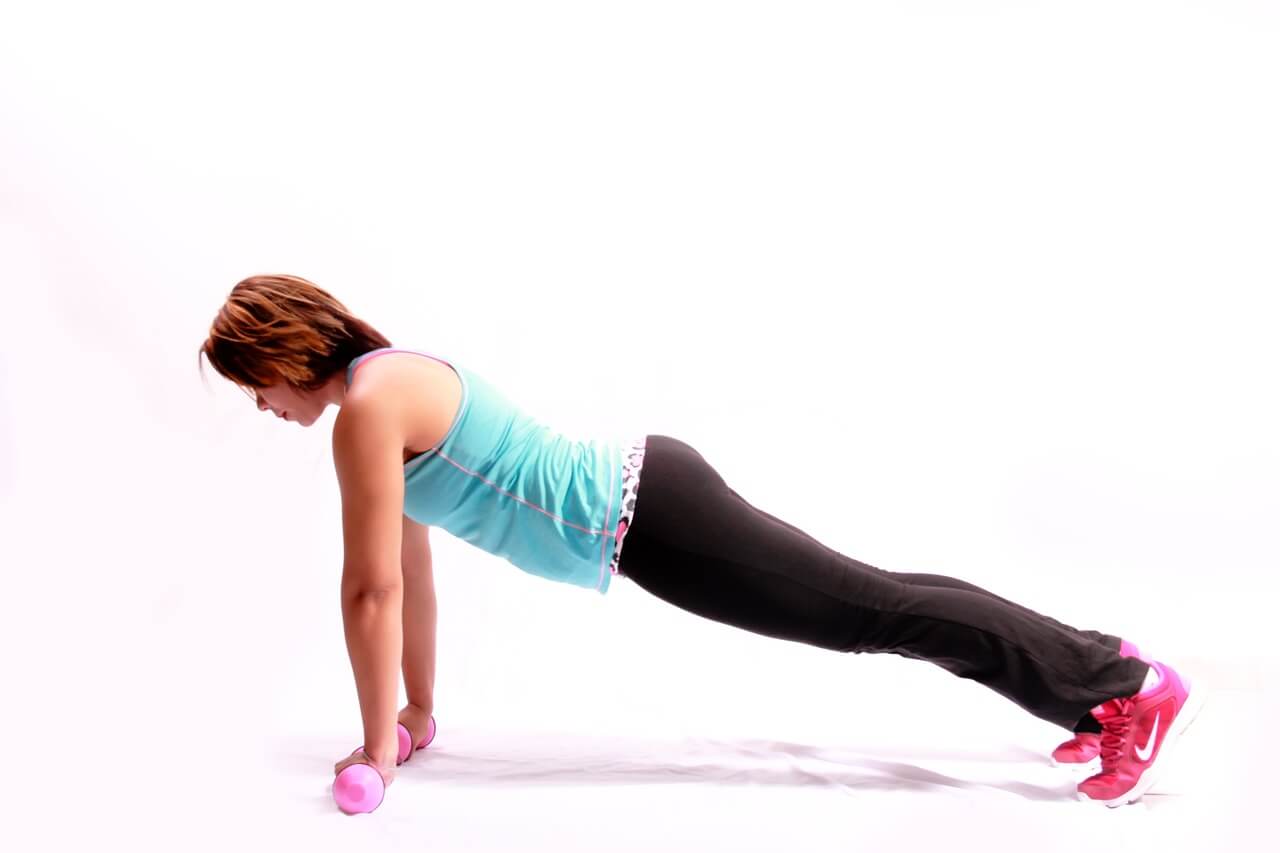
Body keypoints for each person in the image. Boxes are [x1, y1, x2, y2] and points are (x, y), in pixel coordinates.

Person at [199, 273, 1205, 808]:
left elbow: (368, 589)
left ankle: (1123, 684)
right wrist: (415, 710)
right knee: (875, 600)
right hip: (650, 502)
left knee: (872, 612)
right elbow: (409, 575)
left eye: (255, 387)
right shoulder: (386, 387)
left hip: (649, 517)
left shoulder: (368, 410)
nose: (263, 407)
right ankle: (1094, 687)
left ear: (279, 355)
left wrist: (377, 745)